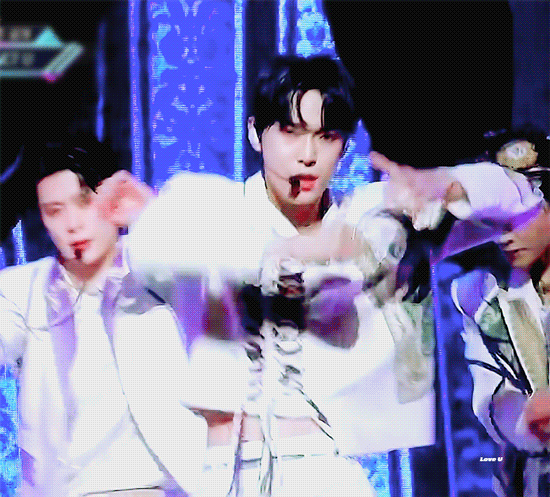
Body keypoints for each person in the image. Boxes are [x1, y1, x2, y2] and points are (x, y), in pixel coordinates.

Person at [0, 138, 207, 497]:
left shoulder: (156, 269)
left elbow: (221, 262)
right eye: (54, 211)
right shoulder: (23, 290)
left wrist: (150, 213)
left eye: (84, 202)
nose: (72, 224)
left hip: (156, 489)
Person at [448, 133, 550, 497]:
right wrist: (526, 417)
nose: (504, 235)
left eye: (517, 217)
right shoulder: (479, 296)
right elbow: (491, 400)